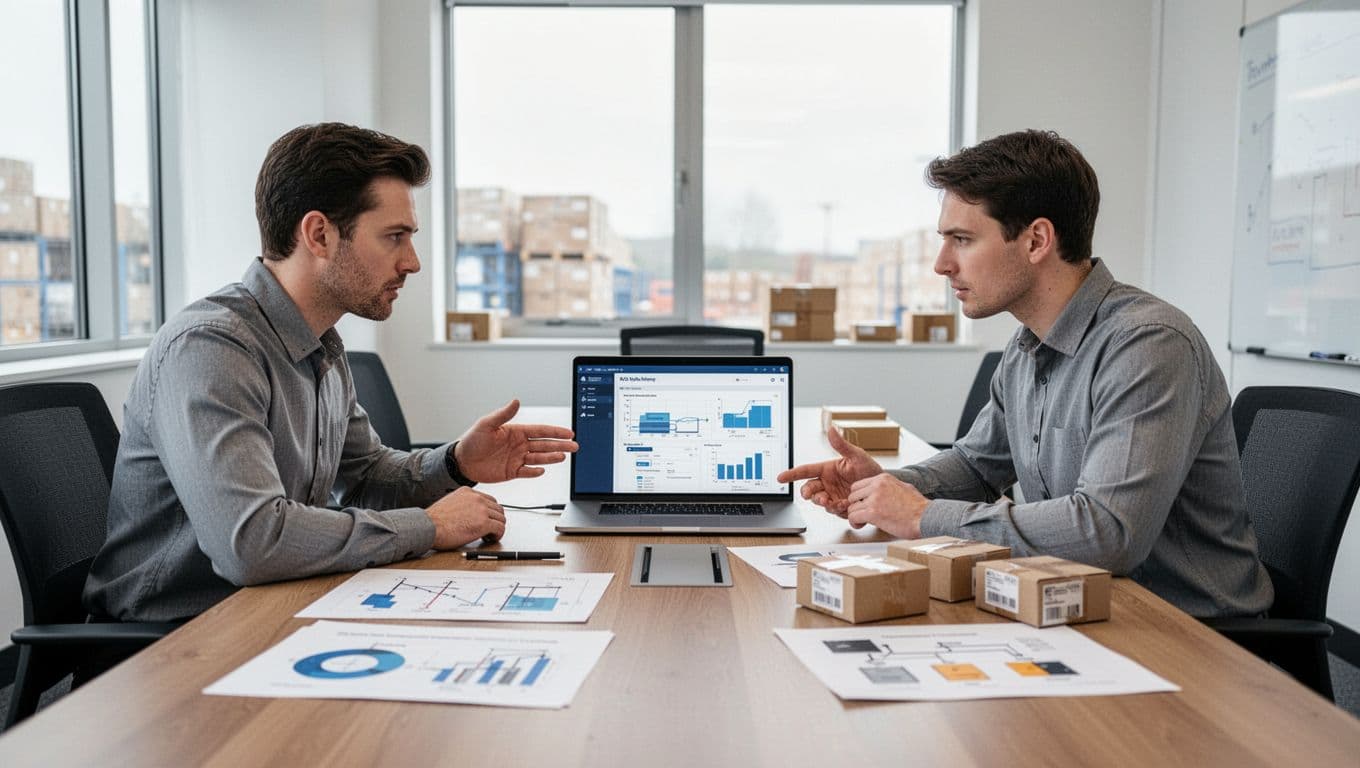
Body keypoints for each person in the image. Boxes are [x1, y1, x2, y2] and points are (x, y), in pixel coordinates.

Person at [84, 123, 577, 622]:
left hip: (279, 605)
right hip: (175, 643)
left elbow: (364, 477)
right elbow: (252, 541)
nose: (413, 262)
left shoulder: (321, 343)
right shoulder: (212, 348)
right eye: (395, 237)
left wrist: (456, 463)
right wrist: (428, 526)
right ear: (319, 234)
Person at [778, 130, 1272, 618]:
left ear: (1037, 240)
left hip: (1184, 629)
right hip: (1077, 600)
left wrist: (922, 515)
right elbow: (976, 466)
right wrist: (884, 487)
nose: (941, 264)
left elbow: (1109, 533)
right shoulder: (1025, 345)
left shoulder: (1148, 344)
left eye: (962, 240)